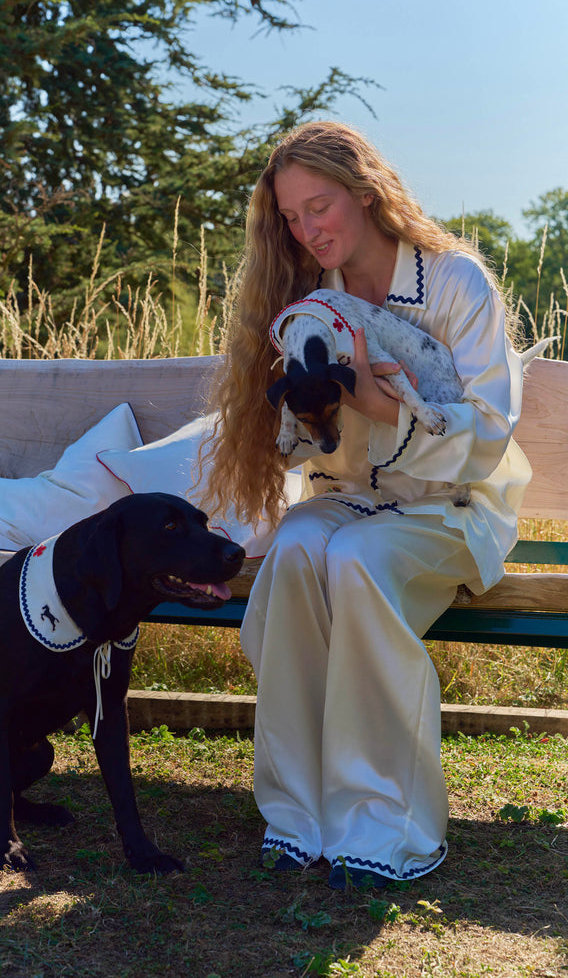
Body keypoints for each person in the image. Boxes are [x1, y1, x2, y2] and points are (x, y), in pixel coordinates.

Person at [203, 120, 532, 888]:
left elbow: (488, 434)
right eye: (290, 216)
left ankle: (389, 824)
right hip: (353, 496)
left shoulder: (455, 282)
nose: (306, 229)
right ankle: (299, 813)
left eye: (319, 206)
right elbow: (297, 450)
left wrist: (385, 407)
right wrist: (309, 412)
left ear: (365, 192)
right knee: (294, 549)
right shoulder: (314, 305)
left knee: (355, 560)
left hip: (454, 506)